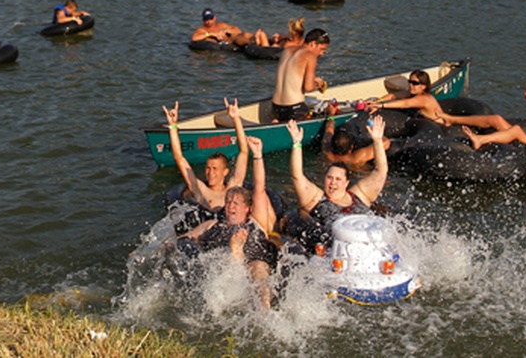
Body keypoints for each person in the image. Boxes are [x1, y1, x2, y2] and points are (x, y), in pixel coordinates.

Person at [177, 136, 276, 307]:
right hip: (222, 268)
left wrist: (258, 154)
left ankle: (264, 308)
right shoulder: (213, 224)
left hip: (252, 263)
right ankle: (235, 255)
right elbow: (186, 237)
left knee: (259, 268)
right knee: (217, 264)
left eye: (236, 203)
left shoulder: (255, 222)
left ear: (247, 208)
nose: (230, 206)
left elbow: (259, 188)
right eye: (228, 202)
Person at [285, 115, 389, 248]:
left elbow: (381, 171)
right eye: (329, 178)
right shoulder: (316, 199)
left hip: (371, 246)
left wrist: (378, 141)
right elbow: (297, 175)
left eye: (338, 179)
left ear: (346, 183)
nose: (333, 183)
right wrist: (297, 143)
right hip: (338, 251)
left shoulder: (360, 195)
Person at [162, 98, 249, 216]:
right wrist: (173, 126)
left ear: (225, 172)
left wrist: (236, 119)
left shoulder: (233, 189)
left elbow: (244, 152)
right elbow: (179, 158)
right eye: (208, 168)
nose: (210, 172)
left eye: (215, 168)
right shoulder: (201, 190)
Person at [271, 28, 329, 121]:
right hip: (294, 108)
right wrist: (318, 84)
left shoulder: (287, 50)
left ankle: (276, 121)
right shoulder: (310, 56)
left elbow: (292, 78)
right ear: (313, 44)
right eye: (321, 49)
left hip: (276, 107)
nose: (322, 53)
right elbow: (308, 87)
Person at [192, 8, 269, 48]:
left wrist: (226, 31)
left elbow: (237, 30)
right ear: (203, 20)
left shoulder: (221, 25)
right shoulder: (202, 29)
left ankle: (262, 41)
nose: (209, 21)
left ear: (215, 18)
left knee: (245, 34)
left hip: (232, 38)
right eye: (206, 19)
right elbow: (194, 38)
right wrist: (211, 34)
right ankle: (253, 41)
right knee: (234, 37)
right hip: (225, 43)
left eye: (211, 18)